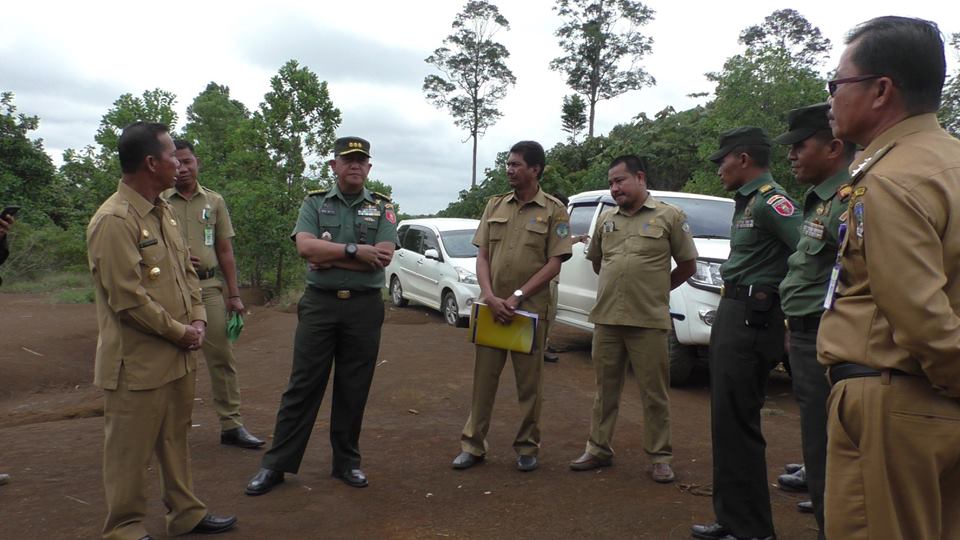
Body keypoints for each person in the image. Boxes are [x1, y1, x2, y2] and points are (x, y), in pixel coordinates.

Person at [818, 16, 960, 539]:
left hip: (894, 402)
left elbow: (920, 319)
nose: (830, 97)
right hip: (937, 409)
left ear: (880, 90)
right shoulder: (949, 163)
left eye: (837, 83)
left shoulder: (894, 178)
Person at [86, 122, 236, 540]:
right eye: (173, 155)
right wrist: (180, 332)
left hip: (176, 352)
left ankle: (185, 513)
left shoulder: (162, 211)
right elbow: (128, 300)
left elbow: (186, 274)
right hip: (136, 362)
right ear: (152, 163)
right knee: (128, 453)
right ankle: (126, 529)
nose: (180, 163)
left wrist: (199, 319)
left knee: (175, 440)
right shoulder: (114, 220)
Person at [246, 136, 398, 496]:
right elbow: (304, 247)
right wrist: (355, 251)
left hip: (363, 307)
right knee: (303, 384)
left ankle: (346, 463)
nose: (355, 165)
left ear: (369, 167)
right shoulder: (314, 202)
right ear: (334, 166)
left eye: (362, 160)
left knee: (353, 387)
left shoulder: (382, 207)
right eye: (348, 160)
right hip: (320, 304)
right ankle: (276, 465)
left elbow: (383, 256)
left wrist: (327, 255)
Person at [692, 127, 801, 540]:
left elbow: (812, 254)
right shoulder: (749, 201)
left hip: (754, 316)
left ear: (742, 158)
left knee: (739, 424)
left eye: (722, 160)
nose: (718, 168)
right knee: (726, 422)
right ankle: (733, 519)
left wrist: (783, 307)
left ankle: (753, 530)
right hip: (734, 310)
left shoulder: (775, 202)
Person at [568, 155, 697, 484]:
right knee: (604, 389)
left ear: (640, 177)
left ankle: (660, 457)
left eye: (620, 181)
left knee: (654, 392)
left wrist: (656, 290)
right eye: (611, 183)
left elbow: (687, 266)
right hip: (608, 319)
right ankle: (598, 449)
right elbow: (598, 262)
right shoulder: (607, 219)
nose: (614, 188)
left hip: (648, 321)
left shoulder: (669, 216)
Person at [452, 140, 572, 472]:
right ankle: (473, 445)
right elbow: (482, 255)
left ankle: (527, 446)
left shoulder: (553, 210)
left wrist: (517, 296)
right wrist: (489, 295)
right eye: (508, 163)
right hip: (492, 309)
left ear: (535, 169)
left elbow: (554, 262)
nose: (509, 169)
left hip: (527, 311)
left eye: (516, 164)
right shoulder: (494, 206)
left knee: (529, 384)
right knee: (483, 381)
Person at [773, 103, 855, 537]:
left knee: (828, 451)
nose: (791, 156)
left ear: (834, 148)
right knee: (818, 445)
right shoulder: (821, 199)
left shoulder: (848, 201)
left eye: (800, 147)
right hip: (807, 335)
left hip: (828, 337)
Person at [163, 140, 264, 449]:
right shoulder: (159, 200)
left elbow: (224, 250)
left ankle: (231, 424)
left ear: (198, 162)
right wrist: (175, 260)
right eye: (176, 163)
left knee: (221, 355)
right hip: (169, 288)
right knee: (169, 358)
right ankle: (167, 428)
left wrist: (234, 294)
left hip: (208, 288)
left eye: (187, 162)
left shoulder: (214, 201)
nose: (182, 169)